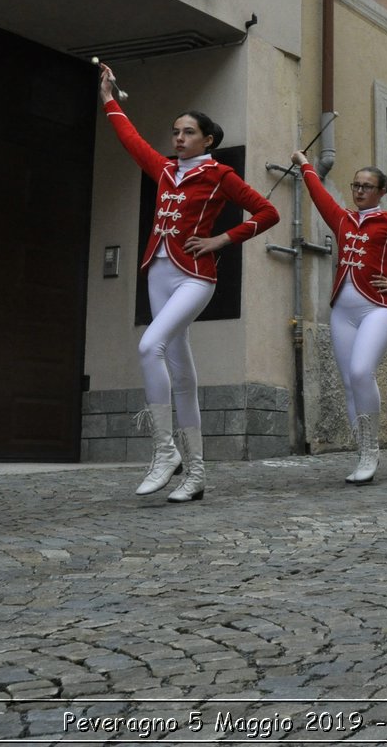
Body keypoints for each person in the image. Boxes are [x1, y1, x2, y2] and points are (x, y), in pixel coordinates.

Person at [100, 66, 279, 503]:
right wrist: (108, 99)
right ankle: (196, 474)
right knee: (183, 374)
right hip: (157, 272)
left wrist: (222, 238)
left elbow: (266, 213)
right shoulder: (163, 170)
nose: (178, 138)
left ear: (207, 139)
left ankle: (166, 452)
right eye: (175, 132)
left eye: (187, 132)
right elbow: (131, 141)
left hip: (195, 277)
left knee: (149, 347)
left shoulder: (219, 175)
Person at [294, 152, 387, 485]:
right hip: (342, 312)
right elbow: (318, 194)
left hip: (379, 307)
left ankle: (372, 448)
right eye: (356, 185)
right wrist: (304, 163)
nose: (359, 191)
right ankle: (362, 453)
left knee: (361, 371)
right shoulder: (343, 219)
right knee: (349, 383)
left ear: (381, 191)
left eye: (367, 186)